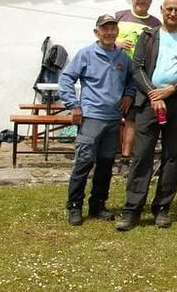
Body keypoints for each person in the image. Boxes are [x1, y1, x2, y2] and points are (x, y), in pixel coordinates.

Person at [117, 0, 177, 231]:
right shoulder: (148, 36)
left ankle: (162, 208)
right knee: (142, 155)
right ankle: (132, 209)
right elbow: (137, 68)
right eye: (169, 9)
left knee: (173, 157)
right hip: (149, 103)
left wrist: (171, 90)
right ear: (162, 10)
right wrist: (154, 94)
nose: (173, 13)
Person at [59, 14, 136, 225]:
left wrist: (129, 94)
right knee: (83, 163)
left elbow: (132, 80)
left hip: (113, 119)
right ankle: (74, 206)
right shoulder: (86, 54)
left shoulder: (123, 57)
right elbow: (66, 78)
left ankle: (98, 205)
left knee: (105, 164)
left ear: (117, 32)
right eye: (105, 29)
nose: (109, 33)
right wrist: (73, 105)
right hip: (91, 117)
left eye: (113, 29)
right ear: (97, 32)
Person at [114, 0, 162, 176]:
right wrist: (117, 43)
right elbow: (103, 38)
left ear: (150, 1)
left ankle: (125, 158)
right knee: (112, 116)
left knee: (131, 119)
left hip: (140, 75)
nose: (141, 1)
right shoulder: (119, 16)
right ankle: (105, 156)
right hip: (116, 72)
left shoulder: (155, 22)